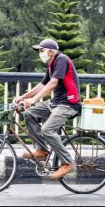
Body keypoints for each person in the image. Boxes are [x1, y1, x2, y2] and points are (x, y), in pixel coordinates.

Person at [14, 38, 82, 180]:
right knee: (29, 113)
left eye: (41, 50)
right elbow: (42, 85)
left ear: (51, 52)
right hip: (56, 102)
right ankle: (42, 150)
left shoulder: (62, 59)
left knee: (47, 130)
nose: (40, 53)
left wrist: (34, 99)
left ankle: (68, 162)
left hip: (69, 103)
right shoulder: (51, 65)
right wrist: (22, 97)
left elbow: (53, 83)